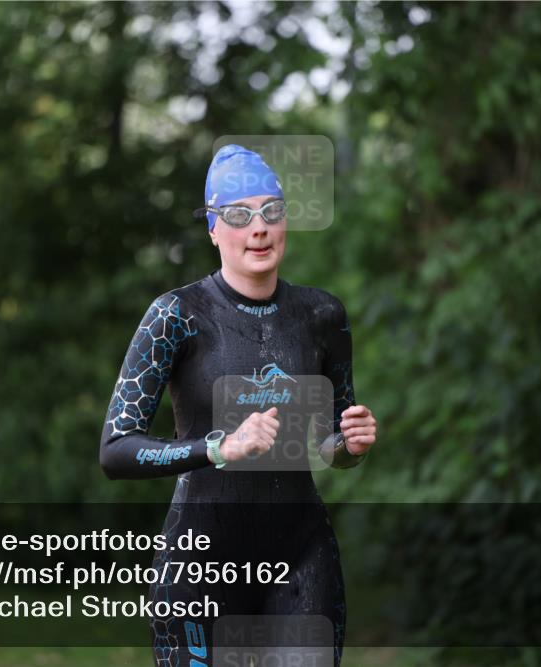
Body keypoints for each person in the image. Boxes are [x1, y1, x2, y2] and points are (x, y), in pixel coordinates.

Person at [100, 144, 378, 667]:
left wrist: (350, 444)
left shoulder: (321, 315)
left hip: (300, 554)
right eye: (238, 215)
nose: (259, 228)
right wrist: (219, 448)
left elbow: (329, 444)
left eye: (272, 211)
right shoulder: (176, 316)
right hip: (200, 560)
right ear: (213, 228)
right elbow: (116, 450)